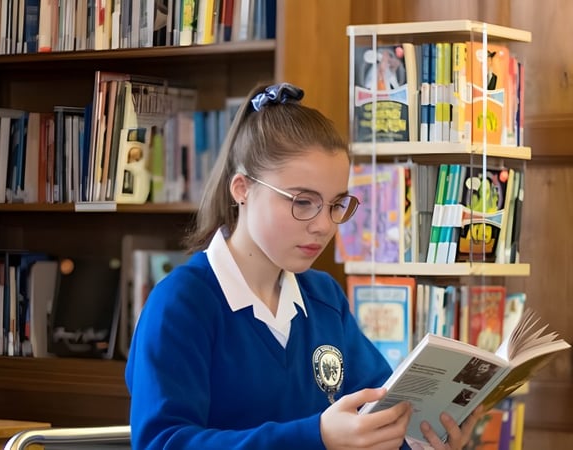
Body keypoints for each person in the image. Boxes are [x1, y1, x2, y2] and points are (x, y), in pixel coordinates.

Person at [125, 82, 485, 449]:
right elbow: (163, 442)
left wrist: (422, 440)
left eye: (336, 204)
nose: (324, 225)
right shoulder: (182, 303)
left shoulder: (323, 296)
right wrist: (317, 436)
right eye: (302, 202)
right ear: (242, 189)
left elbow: (377, 413)